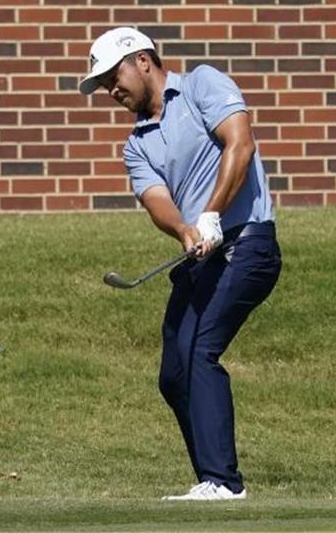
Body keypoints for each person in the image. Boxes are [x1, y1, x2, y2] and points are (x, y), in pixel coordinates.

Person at [79, 26, 282, 501]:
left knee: (201, 352)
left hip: (247, 245)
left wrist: (211, 212)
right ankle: (211, 480)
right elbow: (156, 200)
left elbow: (240, 143)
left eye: (113, 78)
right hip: (202, 254)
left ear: (143, 61)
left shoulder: (200, 85)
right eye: (105, 85)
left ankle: (223, 483)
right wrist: (186, 230)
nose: (111, 91)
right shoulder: (136, 144)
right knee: (174, 372)